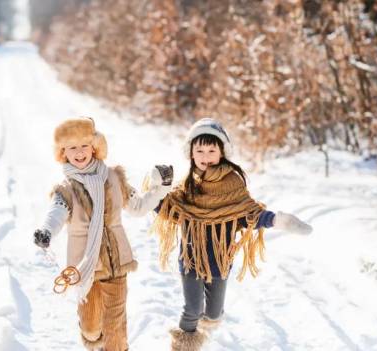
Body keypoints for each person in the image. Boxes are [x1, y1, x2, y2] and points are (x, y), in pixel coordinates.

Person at [150, 118, 313, 351]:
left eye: (211, 150)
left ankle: (209, 323)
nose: (206, 156)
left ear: (222, 152)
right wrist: (155, 192)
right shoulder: (187, 186)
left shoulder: (233, 184)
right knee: (192, 309)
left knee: (213, 314)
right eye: (200, 150)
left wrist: (278, 220)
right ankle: (183, 346)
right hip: (191, 258)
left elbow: (248, 214)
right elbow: (168, 209)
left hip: (219, 260)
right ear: (191, 154)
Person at [32, 117, 175, 351]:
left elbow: (138, 207)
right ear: (63, 152)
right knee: (90, 328)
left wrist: (161, 189)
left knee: (115, 325)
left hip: (117, 263)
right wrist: (46, 231)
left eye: (84, 146)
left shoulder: (114, 178)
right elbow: (56, 213)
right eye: (72, 148)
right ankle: (95, 341)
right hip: (85, 267)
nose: (79, 153)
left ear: (95, 147)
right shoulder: (65, 189)